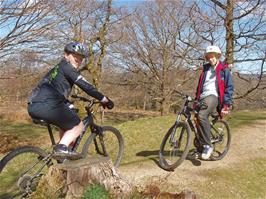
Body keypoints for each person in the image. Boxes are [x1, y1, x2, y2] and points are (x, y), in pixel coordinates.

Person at [27, 41, 113, 157]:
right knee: (78, 126)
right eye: (75, 56)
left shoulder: (56, 69)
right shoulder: (67, 68)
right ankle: (61, 149)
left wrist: (67, 103)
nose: (78, 60)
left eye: (81, 58)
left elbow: (52, 89)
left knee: (67, 124)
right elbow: (86, 86)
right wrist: (104, 99)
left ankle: (62, 154)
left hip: (34, 105)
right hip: (48, 104)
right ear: (66, 55)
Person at [195, 45, 234, 159]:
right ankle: (200, 148)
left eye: (213, 56)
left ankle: (208, 145)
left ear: (217, 56)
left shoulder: (224, 69)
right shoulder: (205, 69)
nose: (211, 59)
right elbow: (199, 87)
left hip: (213, 96)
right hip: (202, 96)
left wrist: (226, 105)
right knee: (197, 120)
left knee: (202, 115)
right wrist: (196, 100)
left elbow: (229, 87)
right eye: (209, 57)